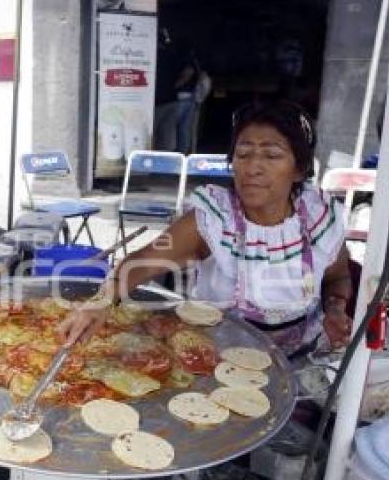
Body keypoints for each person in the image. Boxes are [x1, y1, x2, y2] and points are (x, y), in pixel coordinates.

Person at [61, 102, 353, 356]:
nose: (253, 168)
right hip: (214, 358)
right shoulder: (213, 221)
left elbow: (338, 278)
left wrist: (335, 309)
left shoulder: (319, 220)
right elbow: (140, 263)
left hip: (302, 359)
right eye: (243, 153)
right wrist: (100, 301)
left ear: (299, 169)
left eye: (271, 155)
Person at [153, 30, 199, 154]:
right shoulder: (181, 57)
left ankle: (154, 160)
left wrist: (174, 86)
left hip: (164, 100)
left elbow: (186, 74)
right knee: (178, 131)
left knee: (156, 132)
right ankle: (178, 157)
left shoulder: (156, 56)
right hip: (176, 99)